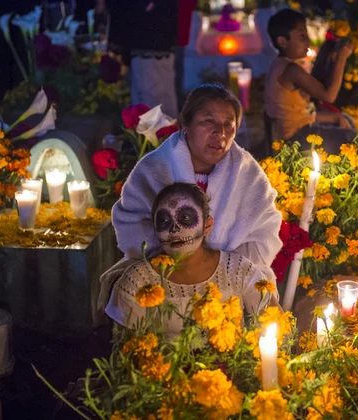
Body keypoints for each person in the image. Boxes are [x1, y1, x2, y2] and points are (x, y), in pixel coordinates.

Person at [98, 84, 282, 310]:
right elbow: (131, 227)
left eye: (228, 125)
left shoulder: (249, 174)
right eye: (208, 121)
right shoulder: (154, 167)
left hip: (231, 279)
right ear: (186, 124)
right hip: (164, 273)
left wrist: (220, 268)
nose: (220, 133)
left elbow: (265, 234)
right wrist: (181, 263)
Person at [105, 183, 276, 336]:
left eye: (185, 218)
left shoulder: (237, 270)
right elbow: (124, 354)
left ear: (207, 225)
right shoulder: (138, 281)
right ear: (154, 228)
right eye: (164, 221)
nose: (174, 229)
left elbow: (275, 325)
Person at [264, 8, 357, 154]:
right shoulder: (291, 70)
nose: (308, 41)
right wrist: (341, 58)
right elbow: (329, 96)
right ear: (282, 41)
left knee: (345, 119)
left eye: (307, 35)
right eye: (302, 36)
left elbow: (301, 113)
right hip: (295, 139)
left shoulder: (280, 64)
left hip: (299, 129)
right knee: (351, 139)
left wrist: (335, 117)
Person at [107, 0, 179, 118]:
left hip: (148, 37)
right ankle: (165, 133)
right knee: (163, 97)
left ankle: (159, 134)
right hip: (158, 37)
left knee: (150, 99)